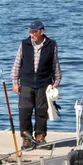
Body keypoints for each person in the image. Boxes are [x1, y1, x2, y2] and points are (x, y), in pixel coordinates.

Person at [11, 20, 62, 150]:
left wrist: (56, 81)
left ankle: (40, 138)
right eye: (30, 31)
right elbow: (17, 64)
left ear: (41, 31)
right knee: (25, 111)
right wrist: (15, 82)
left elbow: (55, 64)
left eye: (34, 31)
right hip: (26, 83)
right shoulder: (24, 44)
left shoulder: (51, 45)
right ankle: (26, 139)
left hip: (43, 84)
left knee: (41, 112)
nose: (31, 34)